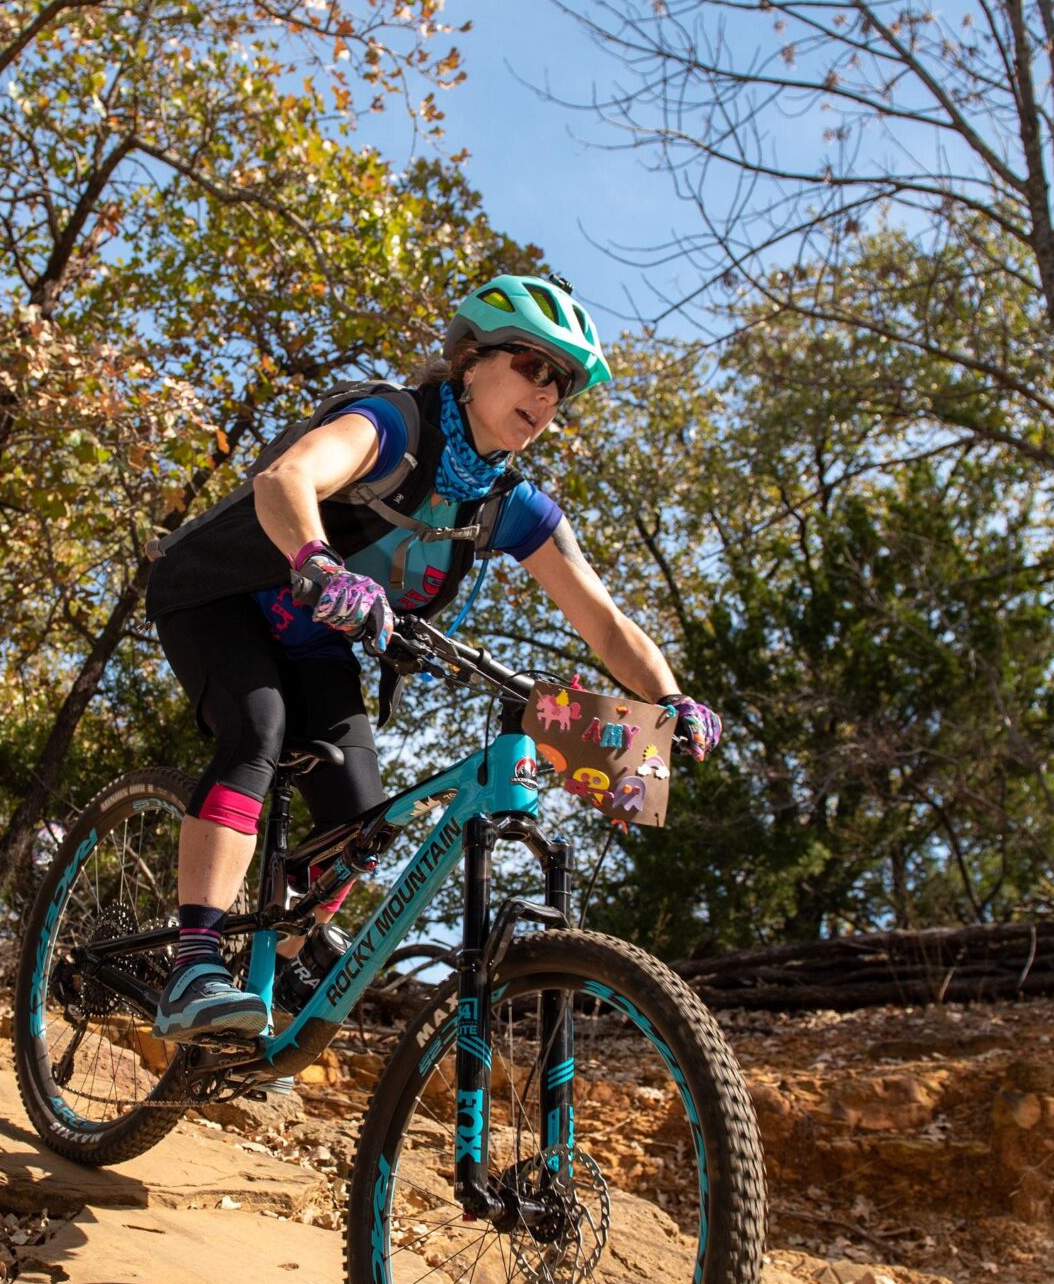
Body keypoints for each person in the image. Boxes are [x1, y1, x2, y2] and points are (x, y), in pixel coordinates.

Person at [141, 274, 724, 1039]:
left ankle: (273, 959)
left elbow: (604, 621)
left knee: (361, 818)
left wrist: (670, 699)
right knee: (259, 726)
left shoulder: (506, 503)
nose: (548, 396)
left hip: (317, 642)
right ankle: (194, 962)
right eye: (533, 367)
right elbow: (285, 478)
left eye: (564, 386)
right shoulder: (394, 424)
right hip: (219, 594)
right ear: (471, 360)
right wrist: (317, 563)